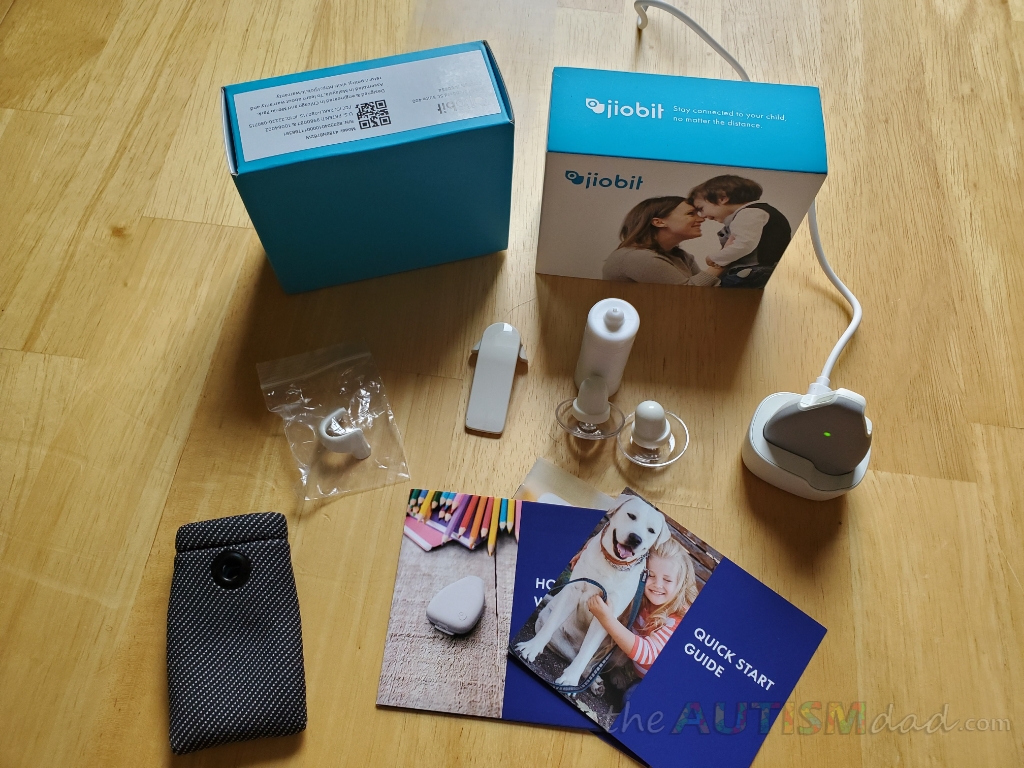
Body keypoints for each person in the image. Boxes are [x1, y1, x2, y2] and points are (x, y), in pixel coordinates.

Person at [586, 536, 698, 686]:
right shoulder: (642, 597)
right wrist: (585, 552)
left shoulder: (679, 618)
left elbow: (647, 653)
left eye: (667, 580)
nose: (657, 584)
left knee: (630, 697)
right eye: (650, 575)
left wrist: (606, 618)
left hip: (660, 686)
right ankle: (613, 669)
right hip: (637, 672)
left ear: (681, 584)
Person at [689, 175, 792, 289]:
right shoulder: (759, 211)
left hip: (753, 273)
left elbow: (744, 245)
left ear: (722, 198)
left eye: (701, 208)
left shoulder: (749, 214)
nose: (703, 216)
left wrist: (715, 258)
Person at [602, 196, 724, 285]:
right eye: (691, 214)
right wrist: (724, 258)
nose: (701, 219)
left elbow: (708, 290)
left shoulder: (683, 257)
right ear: (658, 222)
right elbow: (686, 293)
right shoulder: (636, 257)